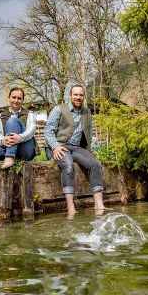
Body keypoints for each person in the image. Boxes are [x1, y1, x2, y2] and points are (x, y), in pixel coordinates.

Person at [44, 84, 106, 214]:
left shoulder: (86, 112)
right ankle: (70, 207)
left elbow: (88, 134)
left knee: (95, 163)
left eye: (81, 95)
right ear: (70, 96)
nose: (78, 97)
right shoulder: (59, 109)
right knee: (68, 164)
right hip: (58, 145)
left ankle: (99, 204)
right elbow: (48, 131)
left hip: (76, 148)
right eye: (75, 95)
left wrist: (89, 153)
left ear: (84, 97)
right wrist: (55, 147)